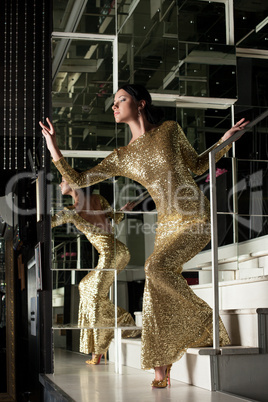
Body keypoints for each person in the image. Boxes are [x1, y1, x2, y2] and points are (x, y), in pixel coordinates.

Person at [40, 84, 249, 387]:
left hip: (194, 215)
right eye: (113, 102)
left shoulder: (169, 130)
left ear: (140, 104)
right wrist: (53, 147)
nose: (114, 106)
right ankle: (161, 364)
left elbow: (197, 165)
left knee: (154, 268)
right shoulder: (122, 156)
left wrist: (223, 142)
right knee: (154, 284)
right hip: (166, 224)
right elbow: (80, 179)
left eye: (120, 99)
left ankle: (204, 319)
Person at [51, 175, 140, 365]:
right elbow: (115, 217)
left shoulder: (72, 211)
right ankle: (122, 321)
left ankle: (100, 348)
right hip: (117, 252)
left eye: (63, 179)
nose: (60, 184)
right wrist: (123, 211)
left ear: (74, 183)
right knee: (85, 287)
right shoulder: (96, 200)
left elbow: (50, 222)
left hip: (112, 255)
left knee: (93, 295)